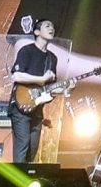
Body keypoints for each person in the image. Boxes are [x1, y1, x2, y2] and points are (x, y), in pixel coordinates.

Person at [6, 17, 61, 165]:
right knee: (22, 144)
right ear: (37, 32)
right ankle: (16, 178)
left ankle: (26, 179)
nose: (51, 28)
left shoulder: (52, 58)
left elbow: (49, 88)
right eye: (47, 26)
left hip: (37, 109)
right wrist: (40, 80)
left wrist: (66, 88)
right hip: (20, 106)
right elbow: (16, 76)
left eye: (52, 27)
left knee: (32, 150)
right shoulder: (27, 51)